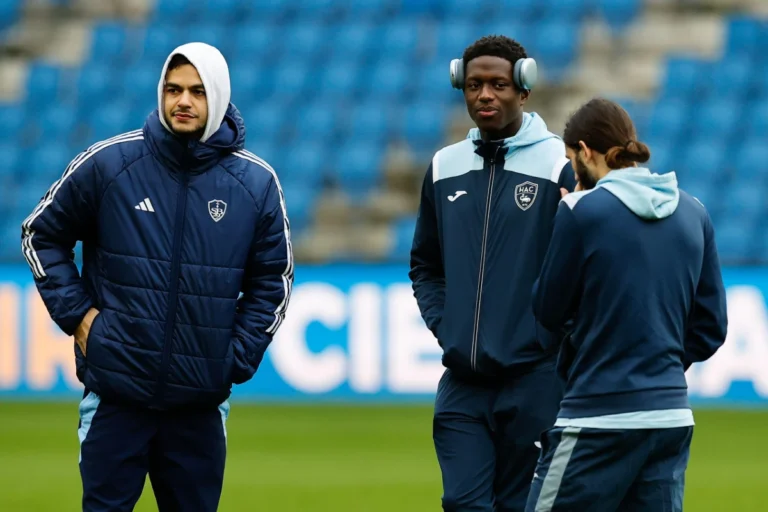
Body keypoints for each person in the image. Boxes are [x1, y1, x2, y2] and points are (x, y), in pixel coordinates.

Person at [20, 42, 293, 511]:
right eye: (173, 89)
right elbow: (39, 234)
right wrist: (81, 320)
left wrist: (234, 356)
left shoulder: (256, 183)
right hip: (116, 397)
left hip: (198, 409)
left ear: (219, 97)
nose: (183, 101)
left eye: (197, 91)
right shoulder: (110, 164)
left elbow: (274, 279)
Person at [526, 98, 728, 511]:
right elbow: (711, 327)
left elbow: (547, 309)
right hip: (670, 418)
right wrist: (658, 366)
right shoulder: (695, 212)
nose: (573, 171)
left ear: (585, 152)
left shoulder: (580, 211)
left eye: (572, 160)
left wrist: (568, 212)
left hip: (597, 416)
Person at [409, 35, 577, 511]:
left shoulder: (559, 166)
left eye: (498, 84)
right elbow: (426, 264)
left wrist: (550, 337)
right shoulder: (444, 166)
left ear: (523, 88)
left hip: (536, 381)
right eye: (474, 85)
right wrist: (448, 326)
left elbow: (584, 267)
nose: (485, 95)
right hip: (463, 383)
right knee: (462, 503)